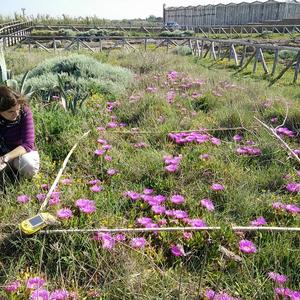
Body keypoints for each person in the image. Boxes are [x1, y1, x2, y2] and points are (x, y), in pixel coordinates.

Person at [0, 85, 39, 178]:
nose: (16, 114)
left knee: (29, 165)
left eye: (18, 109)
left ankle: (15, 171)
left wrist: (5, 158)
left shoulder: (24, 113)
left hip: (21, 154)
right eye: (10, 111)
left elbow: (28, 144)